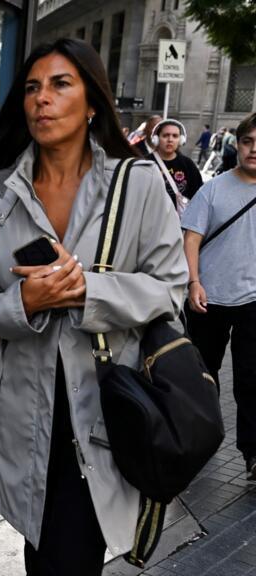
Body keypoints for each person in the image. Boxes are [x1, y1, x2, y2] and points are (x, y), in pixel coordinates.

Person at [0, 38, 187, 575]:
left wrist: (88, 292)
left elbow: (171, 291)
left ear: (93, 104)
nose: (42, 99)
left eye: (61, 85)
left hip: (106, 408)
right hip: (25, 414)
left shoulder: (138, 186)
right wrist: (25, 302)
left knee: (71, 554)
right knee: (44, 552)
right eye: (33, 88)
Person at [181, 113, 256, 480]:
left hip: (253, 300)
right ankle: (201, 440)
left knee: (252, 377)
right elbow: (191, 239)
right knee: (203, 373)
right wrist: (194, 282)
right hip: (208, 297)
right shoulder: (213, 189)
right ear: (237, 144)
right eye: (248, 141)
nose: (254, 149)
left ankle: (253, 454)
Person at [147, 118, 203, 214]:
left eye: (175, 136)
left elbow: (198, 195)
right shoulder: (146, 163)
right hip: (151, 217)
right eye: (165, 135)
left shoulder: (188, 164)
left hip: (179, 222)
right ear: (156, 139)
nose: (170, 139)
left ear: (180, 140)